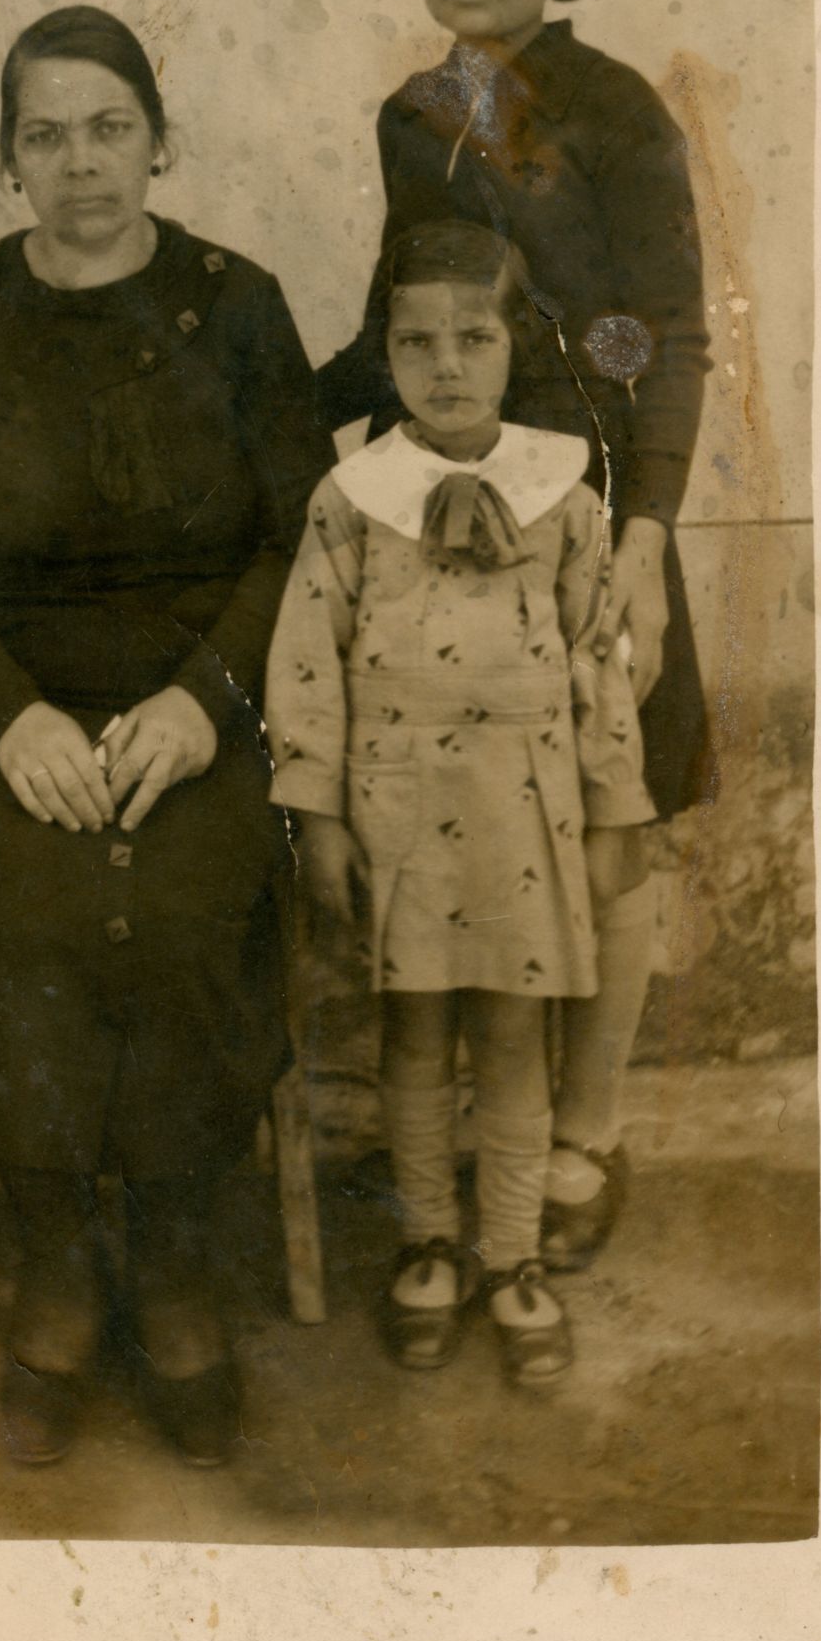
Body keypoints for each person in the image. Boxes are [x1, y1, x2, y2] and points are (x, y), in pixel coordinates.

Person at [0, 6, 333, 1471]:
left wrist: (209, 704)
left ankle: (183, 1260)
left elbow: (293, 538)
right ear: (8, 163)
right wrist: (6, 718)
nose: (81, 164)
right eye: (45, 135)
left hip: (201, 712)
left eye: (109, 128)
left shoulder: (238, 302)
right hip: (12, 713)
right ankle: (64, 1264)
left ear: (161, 138)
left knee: (196, 896)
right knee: (24, 905)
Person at [315, 0, 712, 1268]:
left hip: (598, 499)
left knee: (611, 818)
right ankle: (466, 1136)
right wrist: (265, 425)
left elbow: (657, 335)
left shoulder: (618, 114)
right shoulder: (417, 114)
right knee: (471, 807)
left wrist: (649, 537)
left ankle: (583, 1137)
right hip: (450, 498)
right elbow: (399, 318)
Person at [268, 220, 655, 1383]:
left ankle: (513, 1253)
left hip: (524, 813)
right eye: (417, 341)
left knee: (515, 1040)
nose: (446, 365)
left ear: (512, 348)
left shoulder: (563, 495)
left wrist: (612, 811)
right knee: (417, 1034)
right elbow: (304, 660)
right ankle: (428, 1239)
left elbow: (599, 655)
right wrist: (321, 814)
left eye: (473, 338)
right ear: (384, 353)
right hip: (398, 811)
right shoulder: (352, 499)